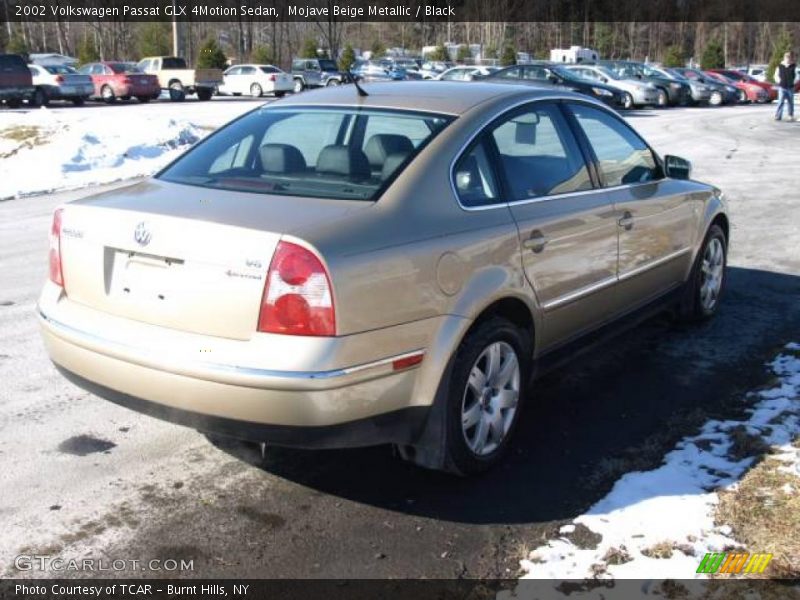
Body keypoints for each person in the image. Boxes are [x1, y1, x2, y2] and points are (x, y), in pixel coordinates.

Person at [774, 51, 797, 121]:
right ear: (784, 58)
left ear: (791, 58)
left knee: (790, 102)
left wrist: (793, 82)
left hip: (790, 87)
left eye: (789, 57)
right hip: (782, 87)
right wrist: (779, 81)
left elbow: (797, 76)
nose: (788, 59)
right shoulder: (779, 66)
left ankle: (790, 115)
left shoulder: (794, 66)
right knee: (780, 102)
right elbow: (776, 75)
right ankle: (778, 116)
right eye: (787, 57)